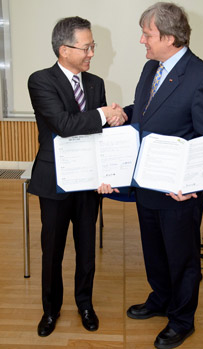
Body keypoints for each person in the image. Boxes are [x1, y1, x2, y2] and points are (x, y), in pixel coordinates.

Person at [98, 2, 203, 348]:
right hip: (147, 183)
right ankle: (161, 298)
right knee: (154, 251)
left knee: (182, 258)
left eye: (147, 34)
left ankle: (182, 319)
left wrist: (192, 185)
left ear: (169, 37)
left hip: (179, 191)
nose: (142, 40)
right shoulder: (151, 68)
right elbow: (148, 111)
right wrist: (124, 114)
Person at [27, 16, 127, 337]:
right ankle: (50, 310)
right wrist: (101, 114)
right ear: (63, 49)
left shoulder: (95, 83)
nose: (91, 54)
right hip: (55, 181)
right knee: (52, 251)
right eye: (86, 48)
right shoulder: (40, 80)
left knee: (86, 250)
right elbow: (65, 125)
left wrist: (116, 120)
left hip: (89, 182)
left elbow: (95, 133)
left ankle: (85, 304)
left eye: (93, 46)